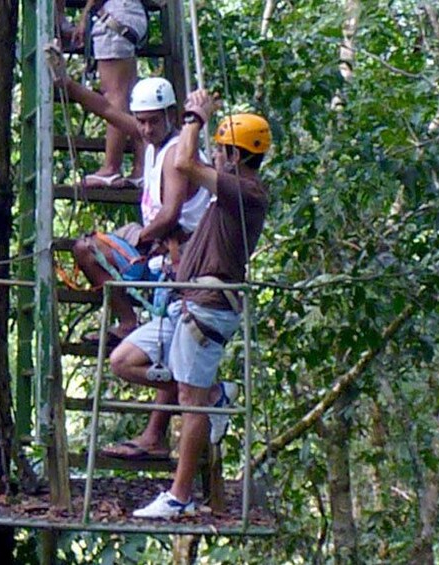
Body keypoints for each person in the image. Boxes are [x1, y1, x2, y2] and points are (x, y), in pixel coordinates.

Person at [106, 88, 271, 518]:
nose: (214, 156)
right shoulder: (230, 195)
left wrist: (194, 118)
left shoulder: (247, 192)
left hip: (208, 305)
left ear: (235, 156)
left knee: (190, 402)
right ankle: (215, 394)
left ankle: (179, 497)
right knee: (124, 360)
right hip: (187, 301)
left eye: (220, 150)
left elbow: (183, 162)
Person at [45, 45, 211, 343]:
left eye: (153, 121)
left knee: (88, 248)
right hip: (160, 243)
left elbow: (170, 213)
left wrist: (142, 238)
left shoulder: (175, 154)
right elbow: (108, 110)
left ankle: (128, 321)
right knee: (90, 247)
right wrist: (66, 83)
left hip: (178, 252)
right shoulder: (153, 140)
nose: (146, 129)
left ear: (170, 115)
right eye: (141, 121)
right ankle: (128, 321)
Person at [72, 0, 149, 188]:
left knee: (115, 96)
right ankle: (141, 169)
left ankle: (111, 168)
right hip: (130, 14)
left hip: (115, 17)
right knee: (127, 96)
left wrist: (85, 15)